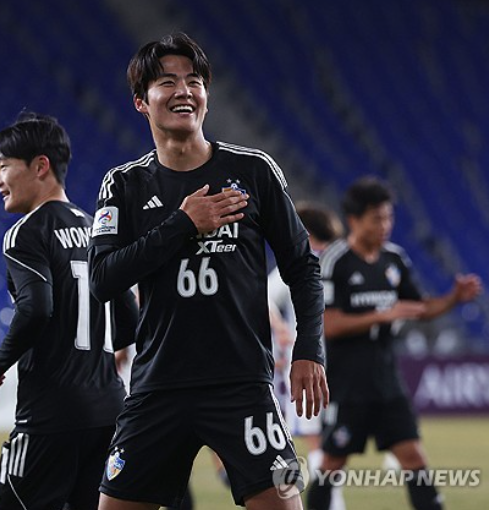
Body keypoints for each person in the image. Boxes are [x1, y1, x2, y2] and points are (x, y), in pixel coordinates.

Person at [88, 33, 329, 510]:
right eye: (167, 82)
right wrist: (182, 223)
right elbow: (103, 279)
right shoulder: (124, 184)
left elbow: (302, 265)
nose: (184, 91)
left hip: (241, 385)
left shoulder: (254, 170)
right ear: (141, 102)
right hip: (158, 386)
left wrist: (309, 348)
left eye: (194, 81)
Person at [0, 112, 138, 510]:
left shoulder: (25, 233)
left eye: (2, 166)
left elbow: (35, 309)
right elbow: (130, 321)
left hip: (49, 418)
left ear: (40, 166)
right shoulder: (97, 229)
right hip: (108, 413)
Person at [307, 176, 483, 510]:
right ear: (354, 220)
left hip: (388, 383)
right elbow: (327, 324)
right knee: (332, 464)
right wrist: (382, 314)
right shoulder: (335, 261)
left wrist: (452, 298)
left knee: (414, 457)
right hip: (347, 386)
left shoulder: (395, 260)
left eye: (389, 217)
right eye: (377, 218)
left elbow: (419, 308)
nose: (386, 225)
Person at [268, 202, 345, 510]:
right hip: (342, 362)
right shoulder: (341, 261)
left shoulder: (297, 261)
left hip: (309, 365)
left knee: (312, 440)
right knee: (334, 440)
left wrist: (282, 330)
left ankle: (331, 502)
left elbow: (263, 297)